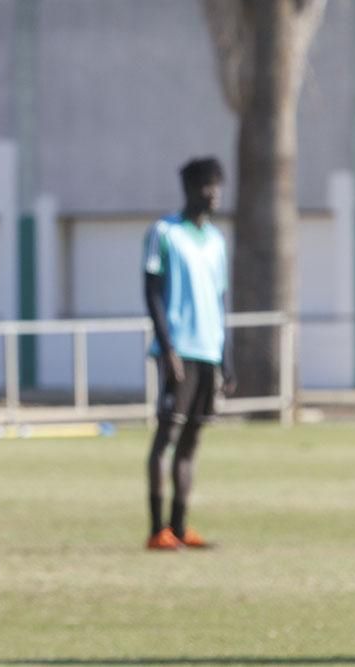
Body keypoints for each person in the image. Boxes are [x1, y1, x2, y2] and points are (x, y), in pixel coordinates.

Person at [142, 156, 235, 551]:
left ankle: (180, 528)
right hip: (178, 348)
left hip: (208, 352)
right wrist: (168, 347)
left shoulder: (216, 241)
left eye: (217, 185)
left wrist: (224, 356)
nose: (213, 193)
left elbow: (219, 299)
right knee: (167, 436)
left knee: (192, 440)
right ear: (190, 188)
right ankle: (156, 529)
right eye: (206, 185)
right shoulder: (164, 232)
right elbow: (152, 292)